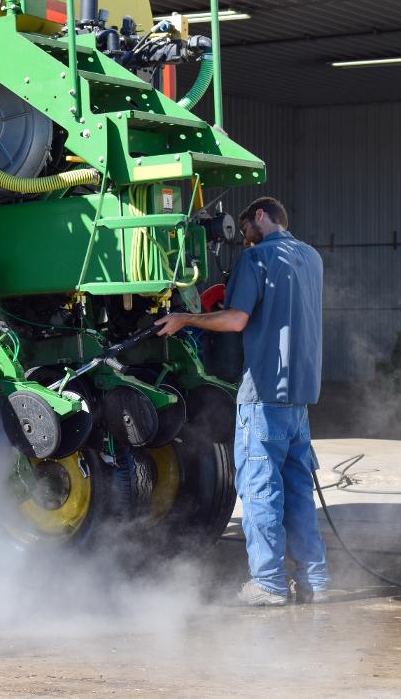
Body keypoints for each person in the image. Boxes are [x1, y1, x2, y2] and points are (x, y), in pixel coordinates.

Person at [154, 196, 328, 606]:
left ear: (261, 216)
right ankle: (315, 580)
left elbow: (235, 319)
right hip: (300, 397)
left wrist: (185, 319)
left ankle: (268, 584)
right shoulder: (312, 258)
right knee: (298, 491)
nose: (244, 236)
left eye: (246, 226)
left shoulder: (256, 259)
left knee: (260, 488)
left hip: (263, 394)